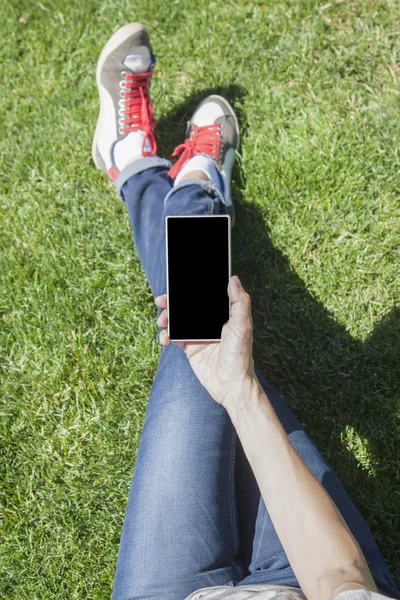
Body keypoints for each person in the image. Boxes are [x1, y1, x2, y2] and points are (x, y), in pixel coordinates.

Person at [92, 23, 400, 600]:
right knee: (203, 314)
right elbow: (340, 582)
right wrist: (240, 391)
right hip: (309, 579)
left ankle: (161, 172)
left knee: (198, 309)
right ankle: (160, 171)